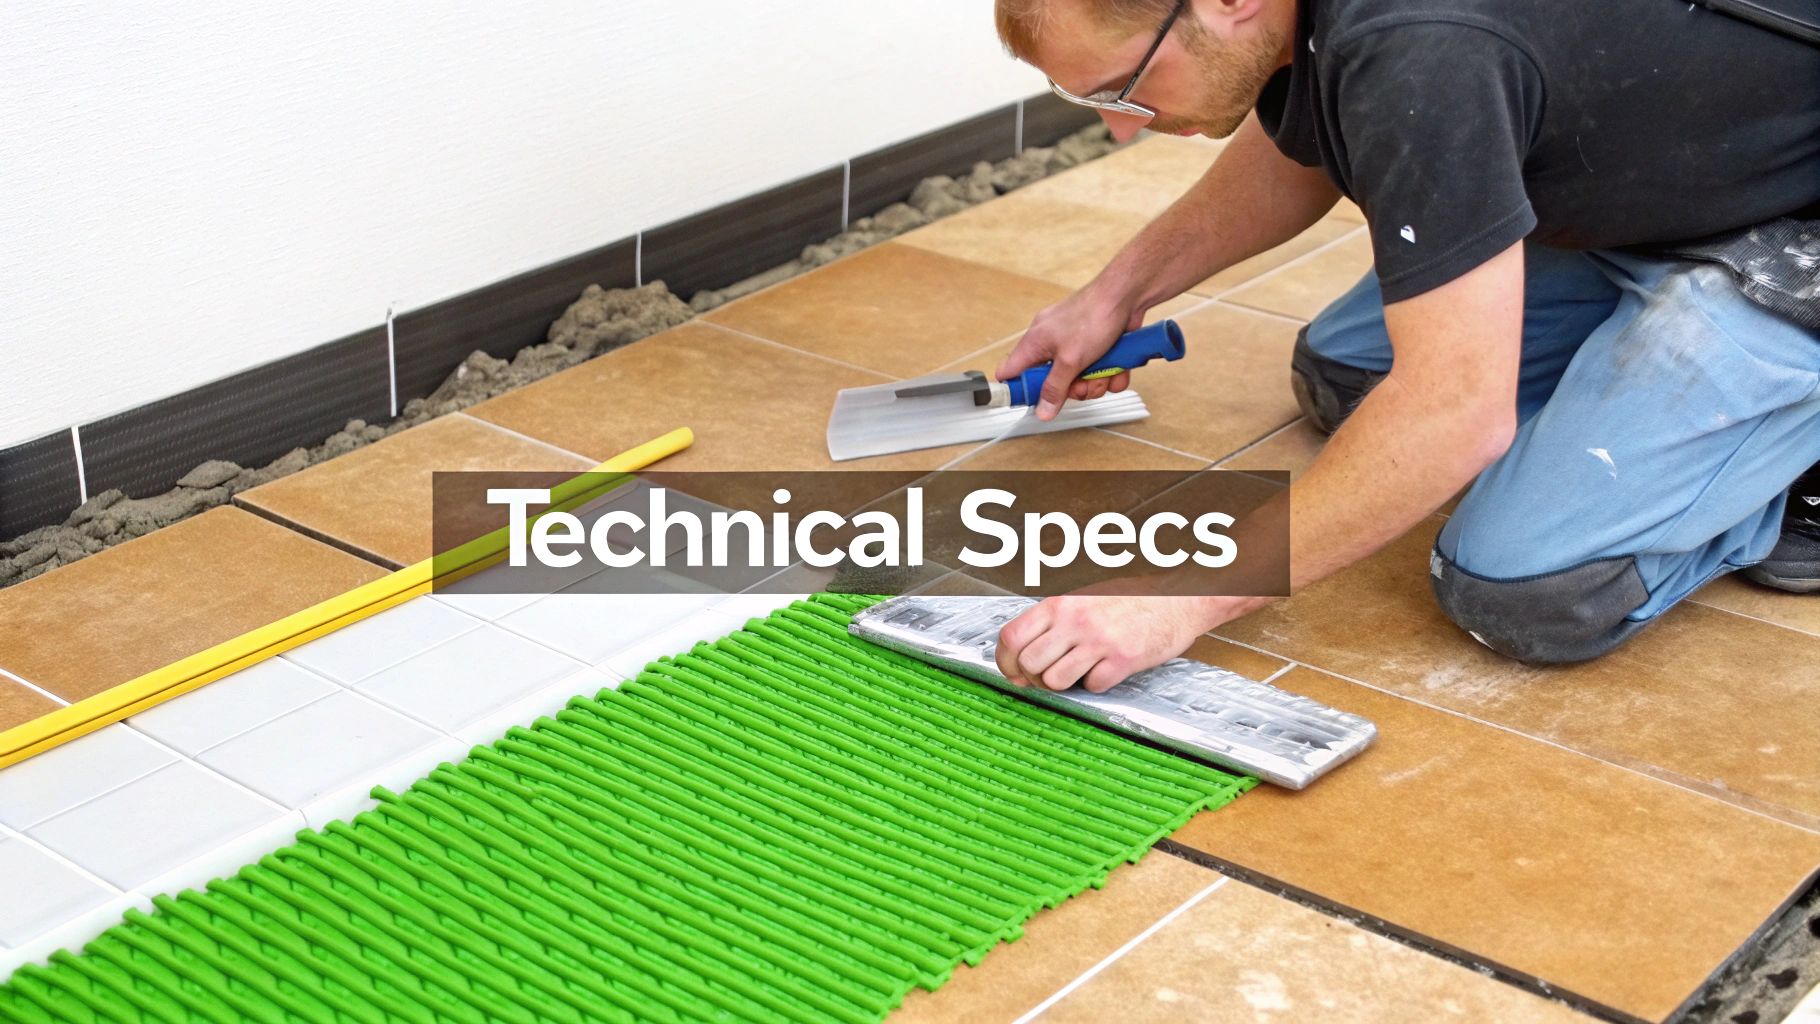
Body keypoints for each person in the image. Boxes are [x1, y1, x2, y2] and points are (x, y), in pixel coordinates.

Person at [987, 0, 1820, 690]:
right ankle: (1660, 403)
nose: (1119, 129)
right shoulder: (1332, 29)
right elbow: (1306, 147)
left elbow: (1455, 414)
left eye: (1124, 90)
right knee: (1347, 374)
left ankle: (1780, 459)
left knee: (1525, 588)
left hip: (1794, 234)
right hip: (1676, 173)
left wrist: (1178, 597)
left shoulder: (1421, 46)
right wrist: (1117, 294)